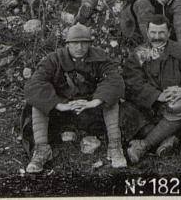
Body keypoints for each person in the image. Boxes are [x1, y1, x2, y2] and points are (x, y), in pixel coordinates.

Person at [23, 24, 126, 173]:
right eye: (75, 43)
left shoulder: (100, 57)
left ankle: (115, 147)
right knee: (39, 102)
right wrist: (59, 105)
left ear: (89, 44)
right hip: (63, 111)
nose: (79, 47)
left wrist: (93, 102)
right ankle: (42, 150)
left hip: (91, 111)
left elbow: (114, 81)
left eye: (84, 43)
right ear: (67, 44)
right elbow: (35, 84)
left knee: (111, 99)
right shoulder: (54, 59)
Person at [122, 16, 181, 164]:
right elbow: (132, 81)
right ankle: (167, 138)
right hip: (149, 106)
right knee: (127, 113)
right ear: (147, 32)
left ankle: (144, 145)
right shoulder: (138, 54)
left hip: (174, 104)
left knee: (178, 105)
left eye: (161, 32)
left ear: (169, 32)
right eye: (153, 32)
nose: (157, 37)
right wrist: (156, 95)